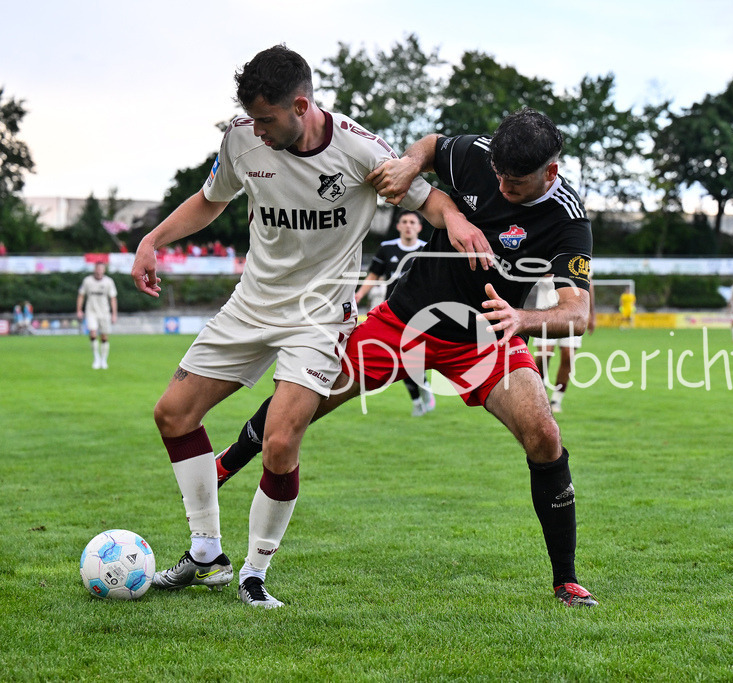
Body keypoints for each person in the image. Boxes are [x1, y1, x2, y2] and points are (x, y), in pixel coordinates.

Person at [129, 45, 484, 609]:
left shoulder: (360, 149)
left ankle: (253, 571)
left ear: (300, 105)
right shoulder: (241, 138)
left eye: (268, 120)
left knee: (279, 441)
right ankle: (206, 554)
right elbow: (209, 199)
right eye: (253, 119)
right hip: (252, 302)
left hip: (319, 314)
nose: (259, 131)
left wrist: (459, 220)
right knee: (172, 415)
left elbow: (430, 198)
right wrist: (152, 241)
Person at [216, 107, 599, 608]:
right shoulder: (480, 156)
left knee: (544, 435)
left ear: (551, 171)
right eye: (500, 177)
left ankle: (566, 580)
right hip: (404, 321)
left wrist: (522, 320)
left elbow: (579, 312)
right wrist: (410, 163)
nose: (504, 187)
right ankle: (222, 467)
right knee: (303, 397)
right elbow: (436, 143)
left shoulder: (567, 218)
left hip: (486, 337)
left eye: (517, 182)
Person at [354, 210, 435, 416]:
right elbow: (373, 275)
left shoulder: (427, 250)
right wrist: (358, 295)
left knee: (410, 356)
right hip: (393, 312)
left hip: (420, 313)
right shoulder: (386, 248)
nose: (408, 225)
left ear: (419, 227)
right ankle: (419, 395)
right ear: (398, 226)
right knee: (403, 357)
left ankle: (421, 392)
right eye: (404, 221)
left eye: (412, 222)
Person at [531, 276, 595, 413]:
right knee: (544, 354)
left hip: (572, 311)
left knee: (568, 355)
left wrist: (592, 314)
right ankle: (541, 393)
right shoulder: (541, 254)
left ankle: (556, 400)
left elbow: (589, 284)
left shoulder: (583, 256)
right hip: (545, 310)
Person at [77, 262, 118, 368]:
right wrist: (79, 310)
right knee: (93, 333)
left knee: (104, 336)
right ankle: (96, 358)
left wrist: (114, 314)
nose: (99, 270)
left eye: (101, 268)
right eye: (98, 268)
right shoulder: (87, 281)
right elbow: (81, 295)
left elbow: (113, 298)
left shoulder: (109, 281)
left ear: (104, 270)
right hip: (91, 311)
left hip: (104, 312)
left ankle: (104, 360)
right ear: (94, 269)